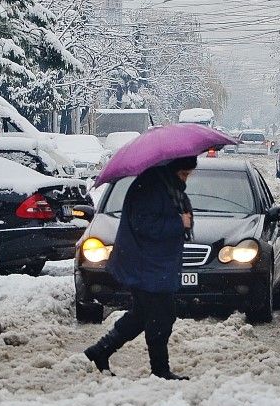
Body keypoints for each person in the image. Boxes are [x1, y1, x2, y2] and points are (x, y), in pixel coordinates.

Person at [83, 155, 196, 380]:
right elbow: (145, 225)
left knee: (142, 315)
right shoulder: (151, 188)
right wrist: (178, 223)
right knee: (160, 317)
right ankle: (160, 370)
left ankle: (100, 351)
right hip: (146, 266)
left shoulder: (165, 186)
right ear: (171, 170)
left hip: (154, 265)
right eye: (184, 174)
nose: (186, 179)